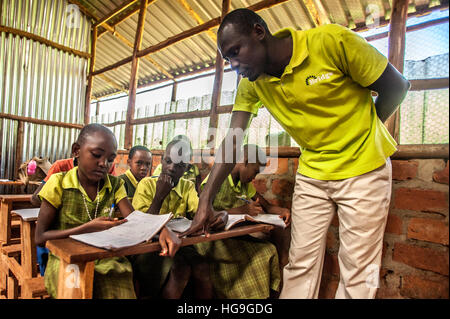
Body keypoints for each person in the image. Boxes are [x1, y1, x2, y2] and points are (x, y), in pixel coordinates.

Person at [181, 8, 411, 299]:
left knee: (357, 272)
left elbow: (396, 87)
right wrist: (205, 199)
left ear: (259, 32)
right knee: (300, 264)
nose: (234, 65)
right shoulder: (252, 83)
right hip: (313, 173)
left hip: (364, 171)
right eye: (228, 59)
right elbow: (233, 140)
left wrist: (364, 133)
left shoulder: (331, 42)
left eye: (236, 52)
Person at [35, 124, 181, 299]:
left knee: (120, 279)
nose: (104, 164)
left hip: (105, 258)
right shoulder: (58, 183)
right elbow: (40, 238)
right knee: (75, 291)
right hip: (66, 261)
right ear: (76, 150)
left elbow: (134, 218)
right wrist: (86, 228)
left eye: (111, 159)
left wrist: (162, 229)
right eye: (96, 155)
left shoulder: (114, 184)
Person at [131, 139, 227, 299]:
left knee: (203, 266)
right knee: (180, 268)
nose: (171, 168)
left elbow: (199, 212)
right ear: (161, 160)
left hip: (179, 245)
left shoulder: (187, 186)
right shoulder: (146, 185)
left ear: (187, 168)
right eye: (168, 161)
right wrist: (159, 196)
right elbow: (141, 227)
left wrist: (222, 214)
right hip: (148, 248)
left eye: (179, 165)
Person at [196, 143, 290, 298]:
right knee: (260, 256)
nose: (255, 177)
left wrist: (282, 211)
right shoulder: (217, 179)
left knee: (269, 250)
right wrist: (242, 211)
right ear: (245, 161)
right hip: (211, 240)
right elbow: (205, 215)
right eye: (255, 171)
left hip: (232, 237)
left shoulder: (244, 184)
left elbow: (265, 205)